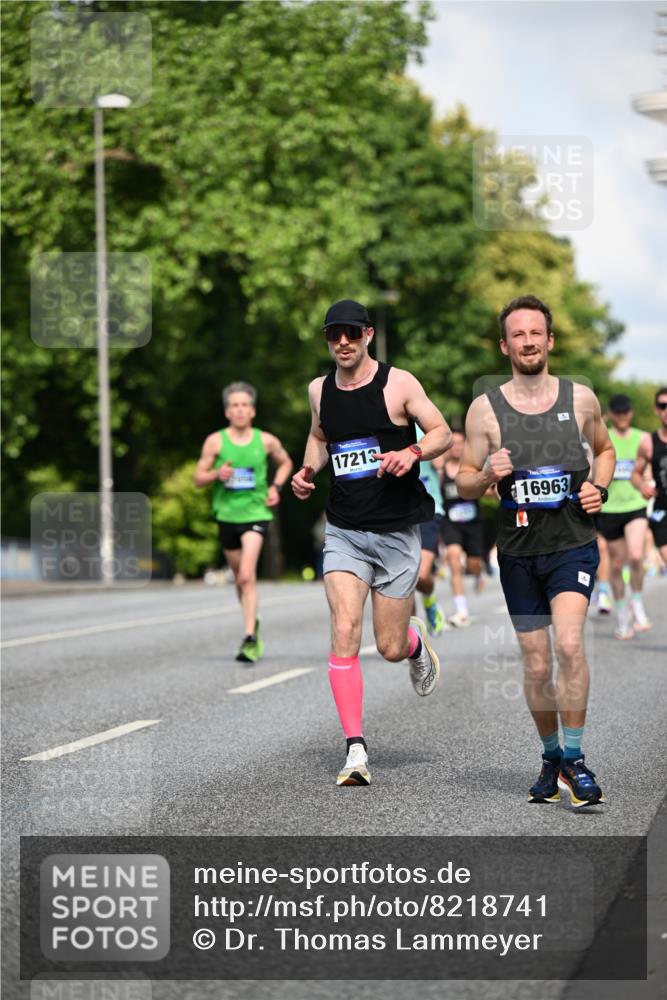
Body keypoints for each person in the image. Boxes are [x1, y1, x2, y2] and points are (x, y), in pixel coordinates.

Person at [456, 294, 615, 809]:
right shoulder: (485, 409)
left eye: (536, 333)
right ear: (505, 345)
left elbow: (606, 451)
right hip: (519, 553)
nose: (528, 341)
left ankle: (576, 759)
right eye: (518, 334)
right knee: (537, 663)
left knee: (569, 646)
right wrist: (486, 474)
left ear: (551, 340)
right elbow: (462, 482)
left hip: (572, 542)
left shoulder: (581, 399)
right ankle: (551, 756)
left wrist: (600, 488)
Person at [291, 299, 451, 786]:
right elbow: (320, 437)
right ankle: (355, 749)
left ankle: (414, 641)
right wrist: (307, 470)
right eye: (332, 335)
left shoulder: (398, 383)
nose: (341, 342)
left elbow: (443, 431)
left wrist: (413, 450)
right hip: (344, 530)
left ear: (366, 336)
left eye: (350, 333)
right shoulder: (320, 390)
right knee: (344, 629)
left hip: (397, 530)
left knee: (387, 646)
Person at [195, 382, 293, 662]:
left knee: (247, 575)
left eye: (244, 405)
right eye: (234, 405)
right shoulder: (215, 441)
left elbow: (286, 462)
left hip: (256, 514)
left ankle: (249, 637)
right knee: (240, 579)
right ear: (227, 412)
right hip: (226, 516)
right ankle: (253, 620)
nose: (239, 410)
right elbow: (198, 478)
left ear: (252, 411)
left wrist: (276, 487)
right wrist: (216, 475)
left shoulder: (265, 441)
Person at [596, 394, 652, 639]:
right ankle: (621, 614)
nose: (622, 416)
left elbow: (650, 465)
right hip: (609, 509)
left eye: (625, 411)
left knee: (637, 555)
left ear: (631, 413)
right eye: (617, 412)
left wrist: (648, 482)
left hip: (635, 504)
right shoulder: (603, 437)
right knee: (617, 564)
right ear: (612, 414)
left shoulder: (643, 438)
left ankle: (637, 602)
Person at [441, 429, 487, 626]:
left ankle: (478, 574)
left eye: (460, 443)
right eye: (453, 444)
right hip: (451, 523)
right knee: (453, 558)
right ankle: (462, 611)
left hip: (473, 523)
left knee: (473, 564)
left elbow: (487, 489)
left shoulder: (471, 468)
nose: (457, 447)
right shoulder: (441, 470)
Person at [414, 426, 447, 636]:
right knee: (404, 580)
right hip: (396, 513)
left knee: (421, 575)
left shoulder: (423, 426)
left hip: (429, 510)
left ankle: (430, 601)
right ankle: (411, 633)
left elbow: (440, 463)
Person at [632, 386, 667, 567]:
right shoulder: (648, 443)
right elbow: (636, 474)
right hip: (662, 511)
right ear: (656, 410)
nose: (666, 410)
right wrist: (642, 486)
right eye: (663, 406)